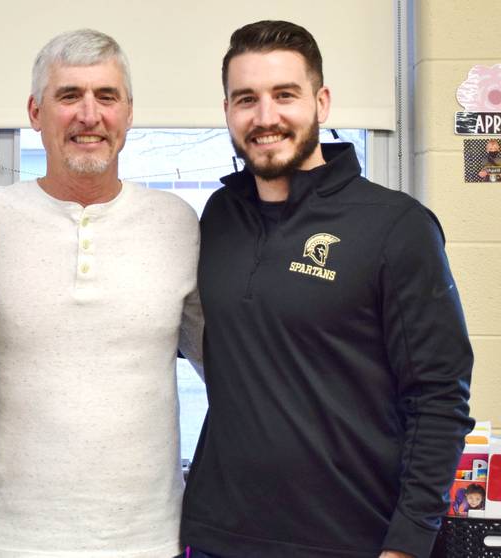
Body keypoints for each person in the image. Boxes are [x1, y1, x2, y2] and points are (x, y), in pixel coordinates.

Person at [181, 20, 473, 558]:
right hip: (220, 536)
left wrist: (408, 543)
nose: (265, 117)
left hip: (352, 540)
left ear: (322, 101)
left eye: (284, 95)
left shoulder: (396, 226)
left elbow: (439, 399)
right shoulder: (219, 218)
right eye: (246, 98)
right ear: (227, 110)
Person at [0, 29, 203, 557]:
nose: (89, 115)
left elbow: (239, 376)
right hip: (4, 540)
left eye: (106, 96)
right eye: (69, 95)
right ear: (35, 111)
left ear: (128, 112)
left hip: (149, 541)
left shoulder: (177, 223)